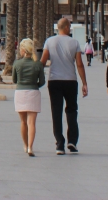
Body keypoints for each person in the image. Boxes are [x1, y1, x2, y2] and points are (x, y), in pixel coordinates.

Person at [41, 17, 88, 155]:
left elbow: (43, 61)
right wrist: (84, 83)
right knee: (72, 110)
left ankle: (59, 144)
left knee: (56, 112)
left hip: (54, 80)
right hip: (70, 81)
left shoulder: (49, 41)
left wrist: (36, 76)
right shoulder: (74, 42)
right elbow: (79, 64)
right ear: (67, 27)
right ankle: (72, 141)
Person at [13, 38, 46, 157]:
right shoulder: (37, 64)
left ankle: (25, 145)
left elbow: (14, 80)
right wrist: (34, 85)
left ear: (23, 50)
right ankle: (31, 147)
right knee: (31, 122)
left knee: (23, 122)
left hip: (20, 93)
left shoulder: (17, 64)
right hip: (33, 93)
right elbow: (42, 81)